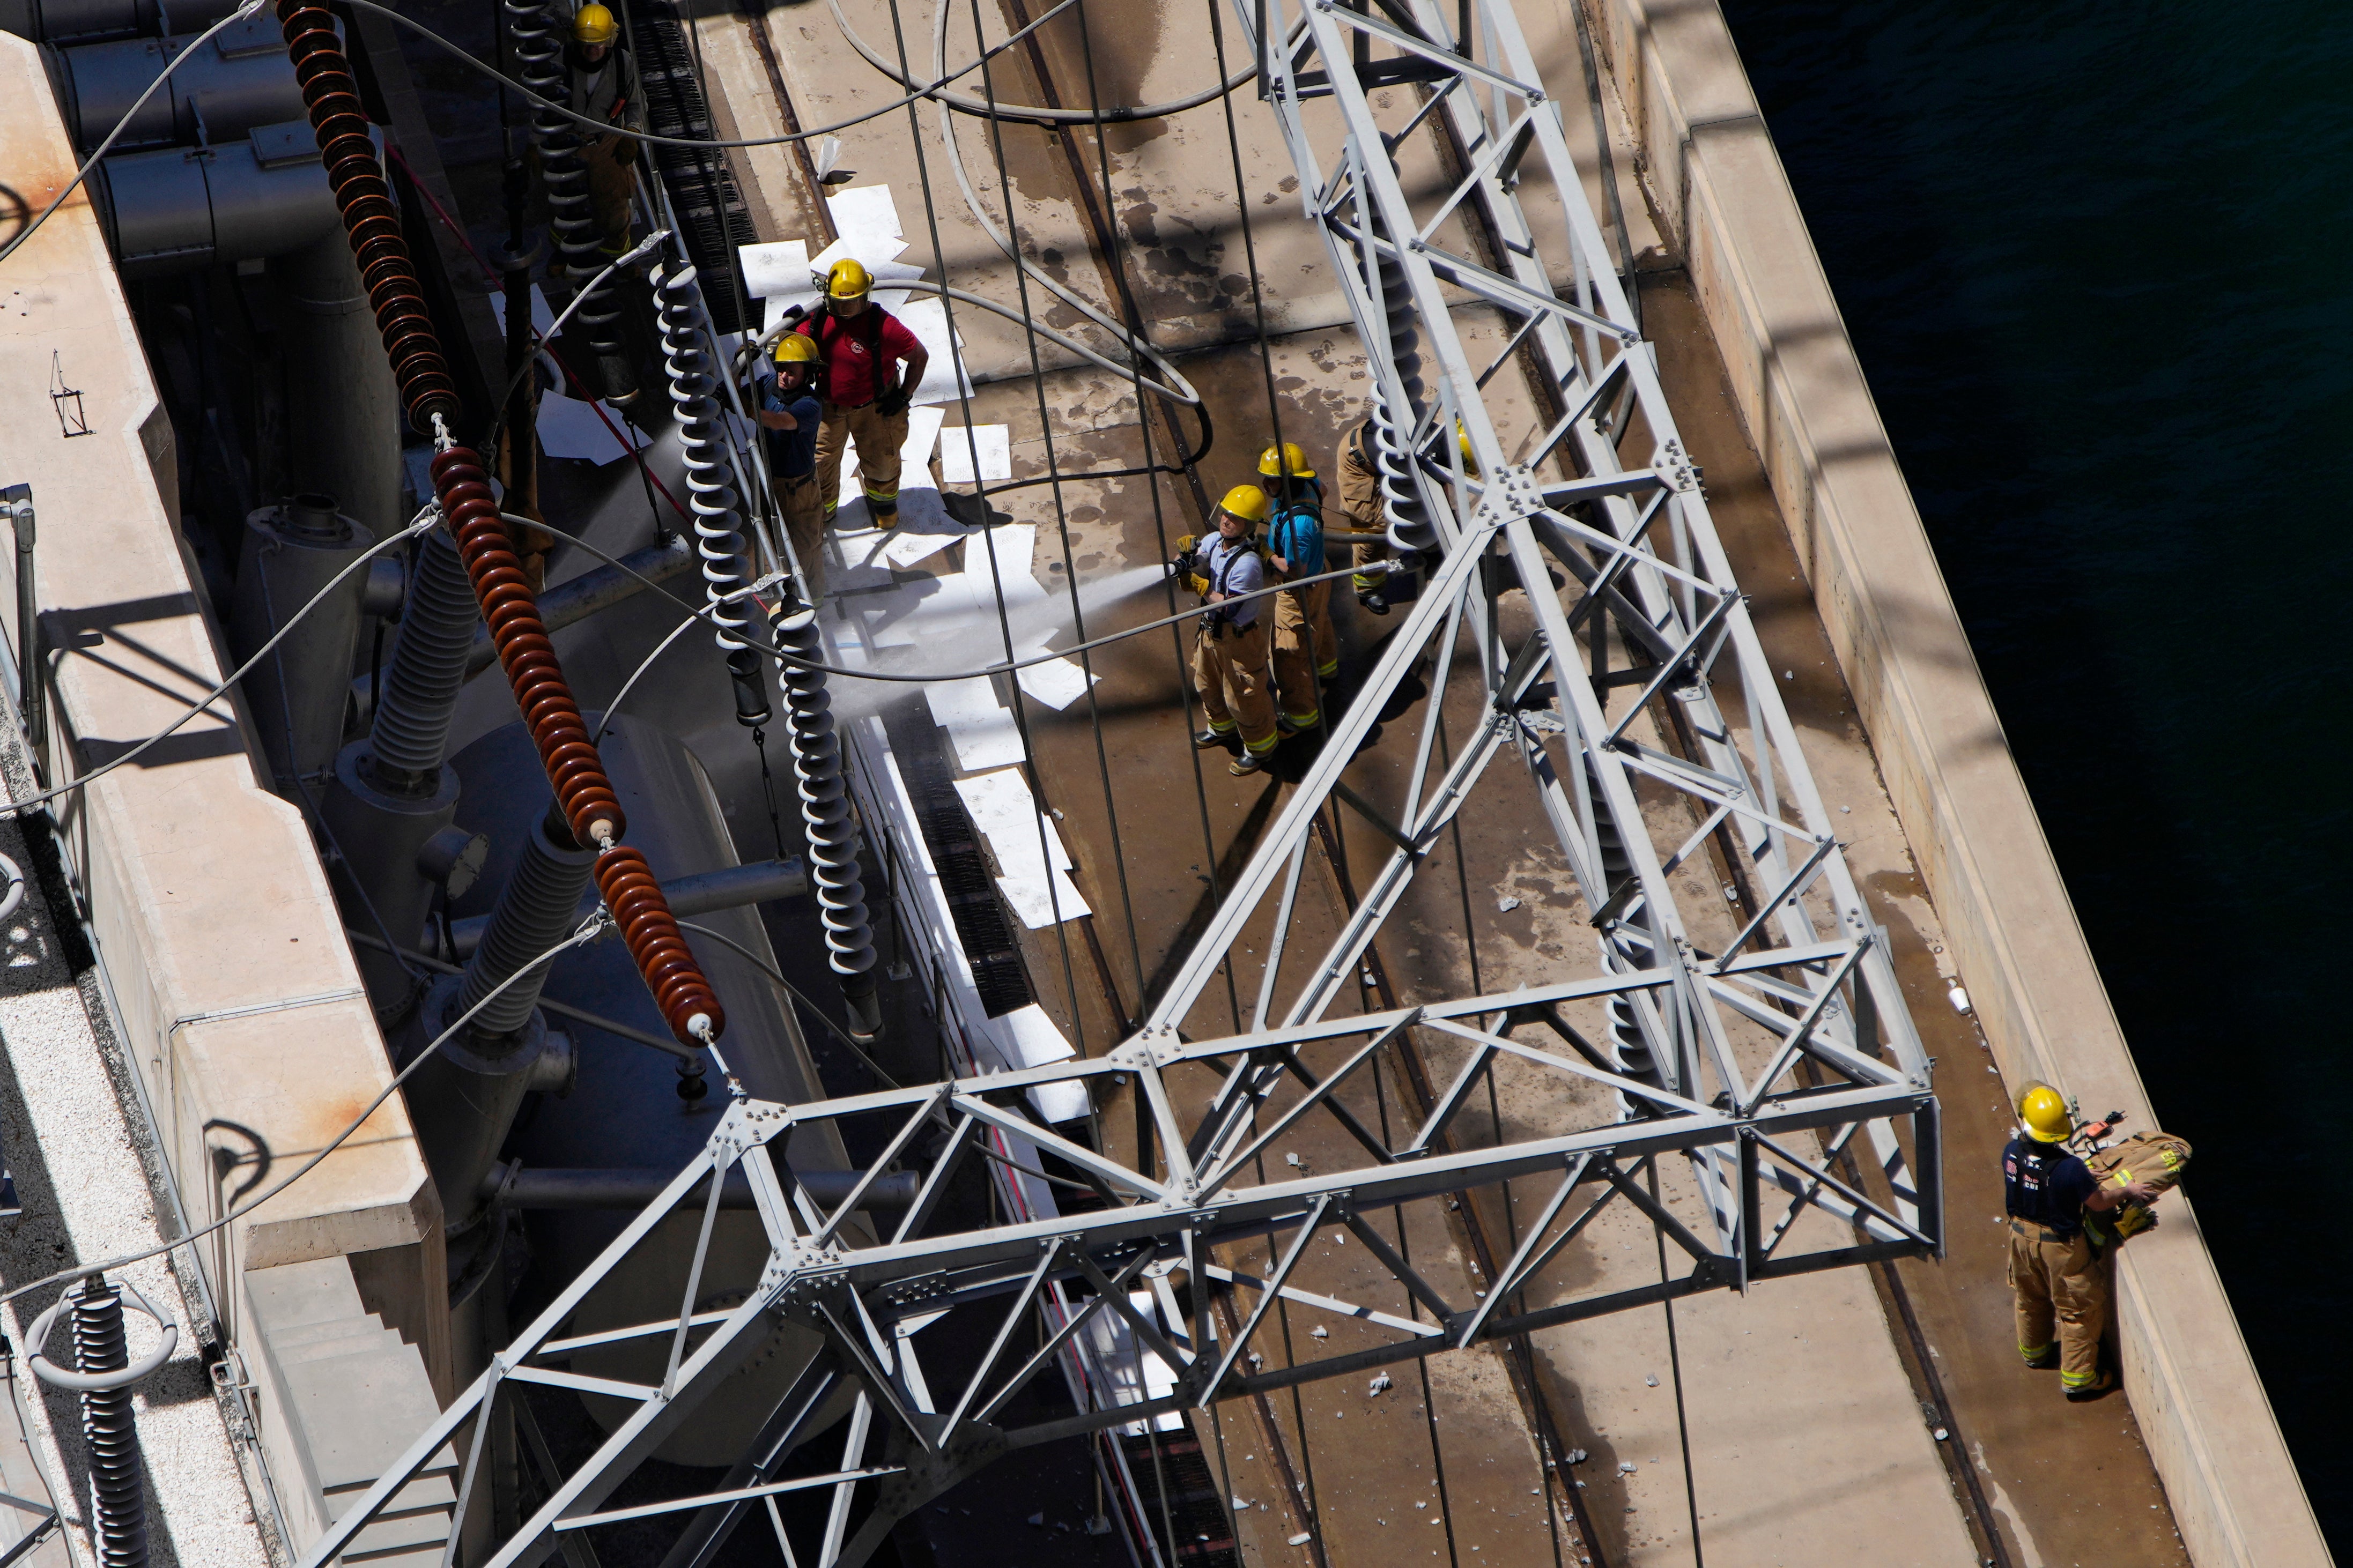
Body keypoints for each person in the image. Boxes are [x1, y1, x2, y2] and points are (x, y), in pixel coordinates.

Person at [2003, 1082, 2157, 1401]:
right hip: (2058, 1246)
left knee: (2030, 1296)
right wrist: (2128, 1192)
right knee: (2078, 1311)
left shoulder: (2012, 1152)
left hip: (2019, 1236)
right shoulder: (2070, 1169)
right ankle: (2080, 1378)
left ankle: (2035, 1351)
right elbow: (2099, 1202)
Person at [795, 258, 929, 527]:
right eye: (839, 303)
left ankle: (884, 505)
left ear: (866, 296)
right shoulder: (814, 323)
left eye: (853, 302)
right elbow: (793, 353)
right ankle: (826, 511)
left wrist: (903, 396)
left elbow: (919, 357)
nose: (845, 310)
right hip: (828, 408)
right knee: (820, 464)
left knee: (883, 460)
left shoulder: (886, 328)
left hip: (876, 408)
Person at [1176, 487, 1280, 777]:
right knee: (1206, 683)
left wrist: (1201, 586)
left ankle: (1260, 749)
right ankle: (1220, 728)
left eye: (1235, 518)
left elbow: (1230, 608)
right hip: (1210, 632)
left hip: (1238, 637)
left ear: (1248, 525)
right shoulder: (1215, 541)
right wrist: (1184, 557)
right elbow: (1196, 557)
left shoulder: (1247, 564)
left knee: (1244, 697)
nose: (1226, 520)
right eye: (1225, 513)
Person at [1259, 441, 1338, 732]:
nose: (1266, 484)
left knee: (1290, 653)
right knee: (1319, 621)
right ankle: (1327, 667)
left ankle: (1300, 716)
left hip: (1299, 587)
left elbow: (1294, 568)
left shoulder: (1299, 526)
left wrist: (1268, 555)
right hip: (1321, 573)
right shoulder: (1311, 485)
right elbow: (1325, 490)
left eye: (1272, 479)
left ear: (1290, 481)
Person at [565, 4, 646, 257]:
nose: (593, 50)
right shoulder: (562, 63)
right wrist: (535, 144)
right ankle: (564, 254)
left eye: (599, 43)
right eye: (587, 44)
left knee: (615, 205)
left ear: (610, 40)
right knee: (565, 204)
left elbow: (636, 104)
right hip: (568, 144)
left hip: (608, 144)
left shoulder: (622, 64)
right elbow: (539, 105)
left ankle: (619, 257)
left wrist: (631, 133)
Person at [754, 333, 826, 602]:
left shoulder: (810, 405)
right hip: (768, 481)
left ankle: (814, 601)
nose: (784, 376)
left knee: (806, 547)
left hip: (798, 490)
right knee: (774, 540)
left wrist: (747, 409)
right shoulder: (769, 385)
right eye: (781, 369)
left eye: (793, 372)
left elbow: (778, 422)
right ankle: (787, 589)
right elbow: (734, 389)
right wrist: (740, 364)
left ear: (808, 374)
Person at [1337, 416, 1390, 614]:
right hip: (1357, 464)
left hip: (1378, 454)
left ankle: (1430, 549)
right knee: (1373, 533)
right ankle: (1368, 588)